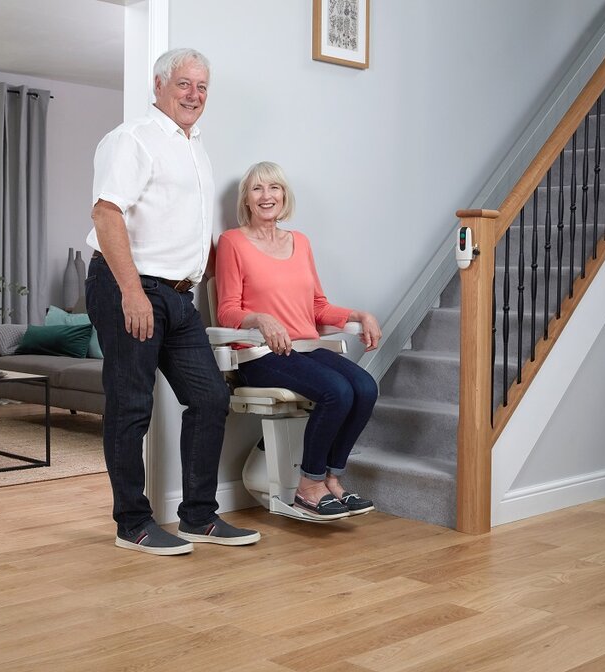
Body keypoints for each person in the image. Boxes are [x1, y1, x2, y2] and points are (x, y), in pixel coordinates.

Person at [85, 48, 260, 555]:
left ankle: (199, 517)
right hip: (129, 286)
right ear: (159, 85)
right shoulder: (132, 138)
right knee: (131, 407)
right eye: (185, 84)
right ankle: (132, 524)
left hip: (178, 296)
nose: (194, 95)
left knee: (209, 398)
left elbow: (184, 227)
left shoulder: (194, 147)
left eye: (202, 87)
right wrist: (132, 292)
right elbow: (106, 213)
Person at [214, 161, 382, 521]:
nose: (266, 196)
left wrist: (359, 315)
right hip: (260, 356)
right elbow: (227, 310)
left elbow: (318, 306)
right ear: (246, 198)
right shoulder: (232, 242)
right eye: (257, 189)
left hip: (305, 350)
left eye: (274, 188)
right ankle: (309, 487)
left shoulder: (300, 242)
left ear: (284, 196)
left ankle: (332, 480)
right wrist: (260, 318)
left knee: (365, 388)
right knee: (337, 391)